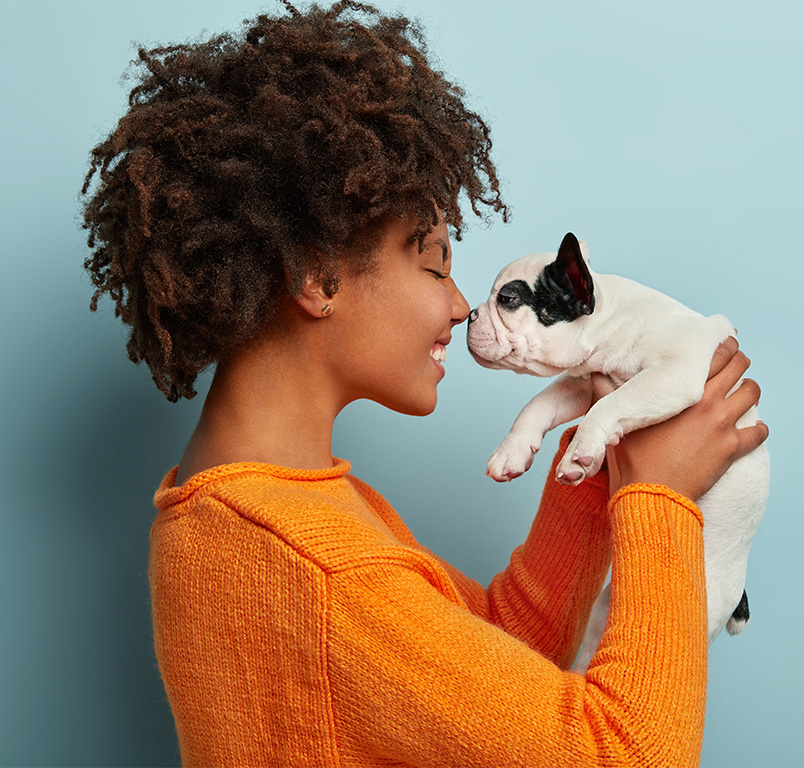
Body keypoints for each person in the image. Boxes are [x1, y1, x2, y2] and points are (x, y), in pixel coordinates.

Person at [81, 2, 768, 766]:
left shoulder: (256, 508)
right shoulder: (322, 568)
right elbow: (630, 756)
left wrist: (600, 456)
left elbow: (495, 657)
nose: (457, 302)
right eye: (433, 260)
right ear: (317, 274)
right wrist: (659, 501)